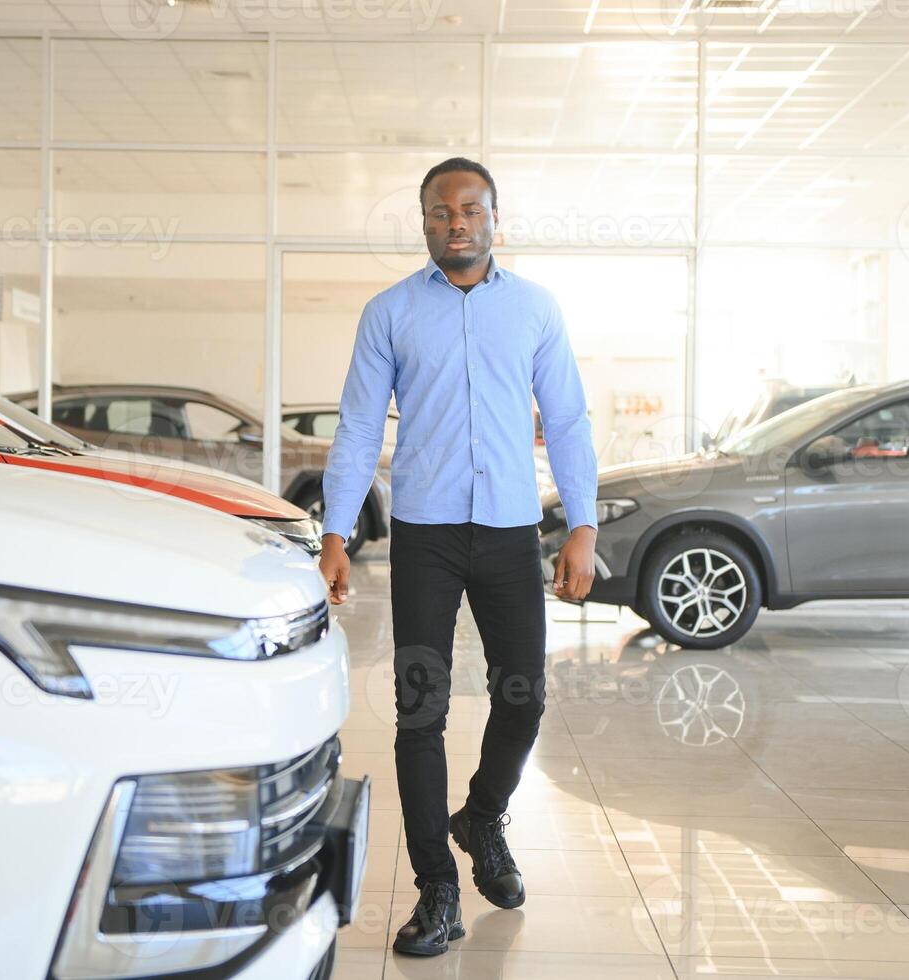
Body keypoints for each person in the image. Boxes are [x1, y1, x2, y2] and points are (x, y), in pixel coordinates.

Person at [319, 157, 599, 957]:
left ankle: (481, 816)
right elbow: (358, 429)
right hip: (427, 537)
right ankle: (436, 888)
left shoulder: (536, 311)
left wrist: (582, 524)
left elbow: (569, 419)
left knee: (524, 699)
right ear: (424, 221)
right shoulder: (390, 313)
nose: (456, 222)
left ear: (493, 217)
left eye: (470, 209)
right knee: (420, 712)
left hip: (511, 533)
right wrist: (337, 532)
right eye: (441, 211)